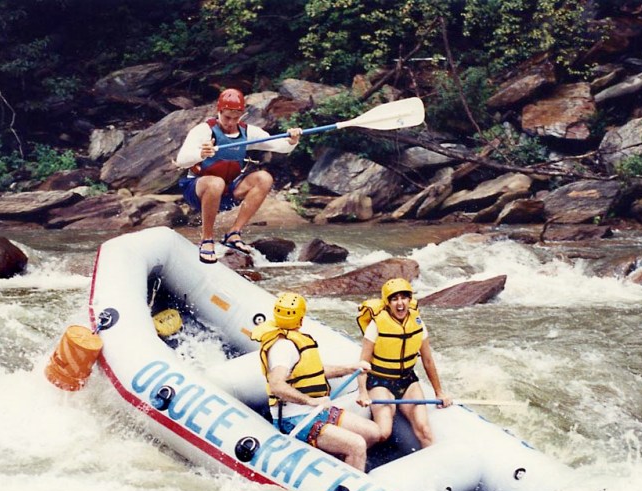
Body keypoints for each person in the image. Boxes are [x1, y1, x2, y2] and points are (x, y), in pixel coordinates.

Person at [251, 292, 380, 471]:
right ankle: (347, 475)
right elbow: (276, 385)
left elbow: (315, 372)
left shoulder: (293, 340)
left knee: (373, 432)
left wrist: (351, 368)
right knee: (357, 445)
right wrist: (310, 401)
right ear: (301, 319)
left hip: (317, 410)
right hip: (295, 419)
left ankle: (337, 462)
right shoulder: (283, 347)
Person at [175, 88, 303, 264]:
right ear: (219, 111)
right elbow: (181, 161)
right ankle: (207, 240)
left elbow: (279, 146)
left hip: (227, 191)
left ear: (242, 114)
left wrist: (292, 140)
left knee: (264, 178)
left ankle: (234, 234)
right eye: (227, 117)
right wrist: (201, 154)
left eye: (236, 118)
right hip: (198, 191)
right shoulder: (203, 131)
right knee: (216, 183)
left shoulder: (248, 132)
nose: (231, 122)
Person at [355, 278, 453, 449]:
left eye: (404, 298)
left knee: (425, 431)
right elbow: (363, 363)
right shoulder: (376, 324)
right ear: (388, 303)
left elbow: (428, 361)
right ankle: (356, 448)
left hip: (407, 380)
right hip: (380, 381)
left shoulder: (417, 322)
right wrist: (363, 392)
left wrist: (439, 392)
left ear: (409, 300)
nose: (400, 303)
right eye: (394, 299)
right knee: (384, 432)